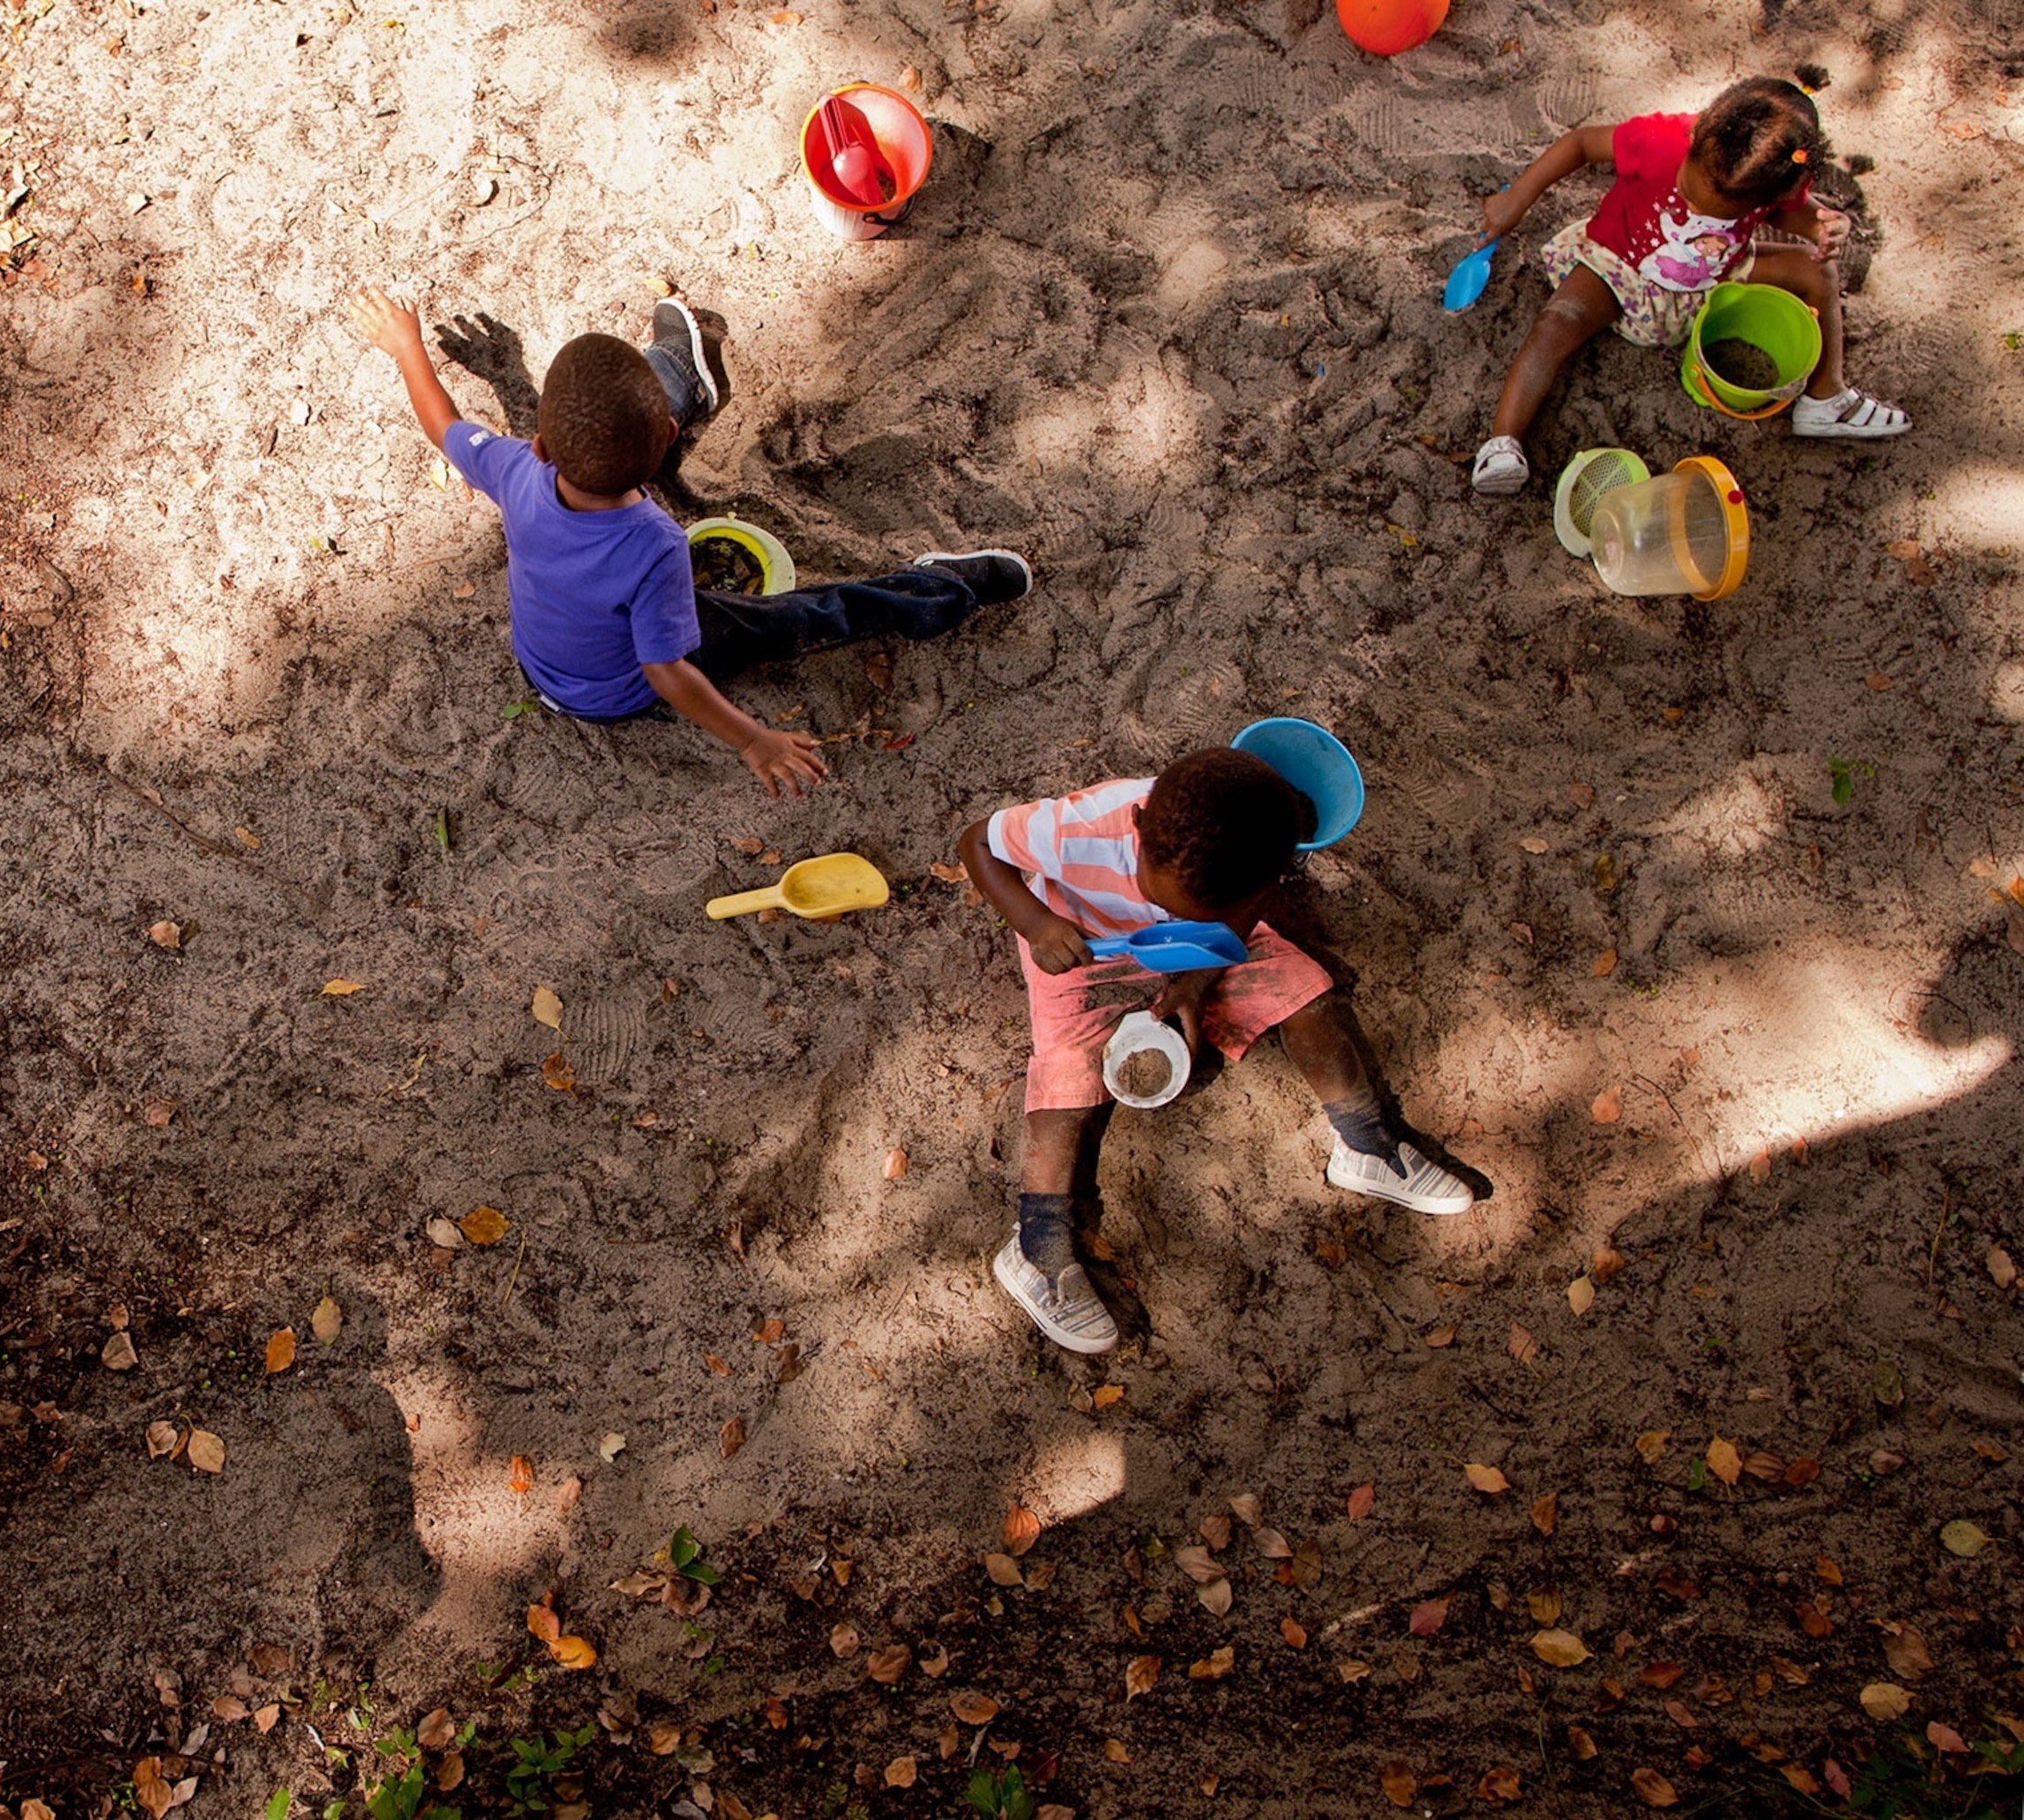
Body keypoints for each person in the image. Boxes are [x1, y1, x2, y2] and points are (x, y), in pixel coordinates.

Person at [349, 285, 1031, 796]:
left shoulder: (517, 469)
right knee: (796, 616)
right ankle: (940, 592)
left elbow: (444, 427)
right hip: (617, 691)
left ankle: (681, 374)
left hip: (545, 670)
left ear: (539, 443)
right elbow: (665, 669)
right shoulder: (656, 544)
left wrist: (408, 347)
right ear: (668, 447)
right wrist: (753, 739)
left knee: (612, 418)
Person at [957, 749, 1474, 1353]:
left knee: (1305, 995)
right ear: (1140, 823)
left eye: (1199, 911)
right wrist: (1035, 923)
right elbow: (978, 844)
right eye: (1170, 900)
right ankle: (1037, 1247)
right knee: (1070, 1073)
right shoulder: (1078, 832)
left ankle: (1368, 1145)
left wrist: (1201, 972)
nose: (1174, 909)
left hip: (1199, 949)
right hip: (1083, 946)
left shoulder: (1249, 860)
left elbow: (1248, 911)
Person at [1470, 72, 1908, 495]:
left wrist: (1823, 228)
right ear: (1698, 135)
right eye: (1687, 188)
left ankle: (1825, 397)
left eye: (1716, 209)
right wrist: (1518, 197)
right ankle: (1503, 444)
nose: (1694, 203)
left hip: (1715, 281)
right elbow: (1581, 144)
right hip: (1620, 264)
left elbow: (1789, 212)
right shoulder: (1662, 139)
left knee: (1818, 272)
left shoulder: (1769, 180)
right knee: (1555, 324)